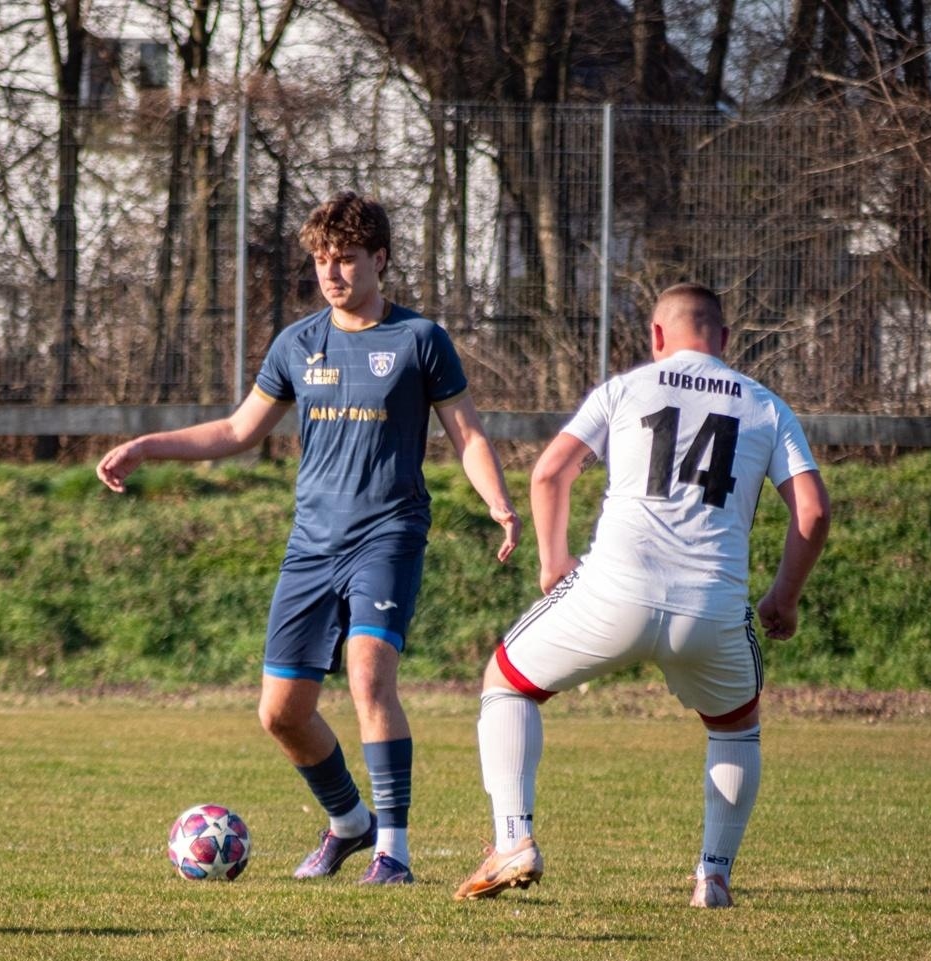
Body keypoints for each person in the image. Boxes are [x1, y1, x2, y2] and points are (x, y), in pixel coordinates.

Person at [98, 191, 520, 885]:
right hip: (312, 546)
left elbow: (468, 434)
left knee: (366, 676)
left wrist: (500, 504)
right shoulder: (298, 343)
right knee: (281, 712)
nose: (332, 273)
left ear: (380, 259)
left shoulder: (420, 340)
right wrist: (148, 446)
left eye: (347, 259)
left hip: (389, 534)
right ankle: (348, 821)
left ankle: (393, 850)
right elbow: (237, 430)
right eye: (322, 260)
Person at [453, 282, 830, 908]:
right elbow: (813, 513)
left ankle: (513, 839)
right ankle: (712, 875)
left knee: (507, 681)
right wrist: (782, 599)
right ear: (725, 341)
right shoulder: (764, 406)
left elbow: (550, 471)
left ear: (657, 337)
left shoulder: (626, 388)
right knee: (735, 728)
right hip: (711, 606)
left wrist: (554, 562)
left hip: (613, 594)